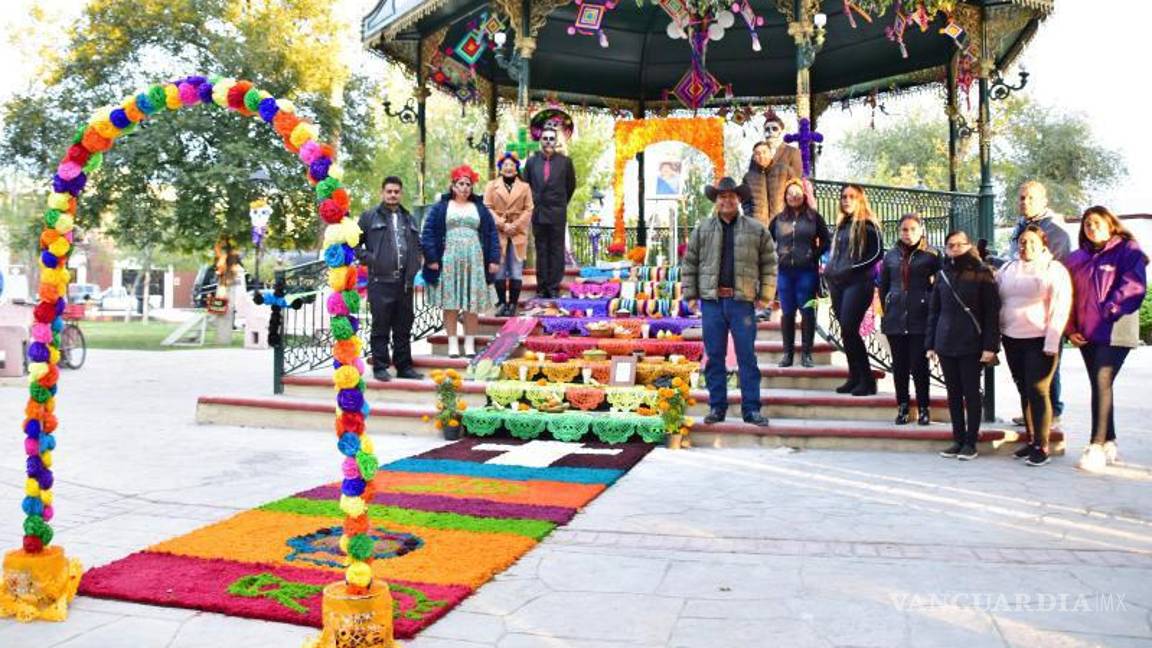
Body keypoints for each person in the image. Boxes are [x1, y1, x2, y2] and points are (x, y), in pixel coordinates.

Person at [682, 177, 777, 427]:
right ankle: (717, 407)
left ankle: (751, 409)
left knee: (747, 357)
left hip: (742, 302)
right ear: (716, 200)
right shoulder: (702, 229)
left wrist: (765, 295)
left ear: (739, 199)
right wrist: (690, 295)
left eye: (731, 196)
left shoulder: (757, 230)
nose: (726, 200)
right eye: (722, 196)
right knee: (714, 357)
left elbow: (769, 263)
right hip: (712, 302)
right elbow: (690, 263)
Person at [1064, 206, 1148, 472]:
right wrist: (1070, 328)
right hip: (1086, 333)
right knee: (1101, 385)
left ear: (1111, 224)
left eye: (1097, 222)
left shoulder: (1128, 250)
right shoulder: (1076, 258)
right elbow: (1067, 294)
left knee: (1102, 380)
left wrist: (1109, 310)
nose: (1091, 227)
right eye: (1087, 224)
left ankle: (1096, 446)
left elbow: (1134, 286)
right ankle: (1109, 440)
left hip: (1115, 329)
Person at [997, 224, 1072, 467]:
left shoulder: (1054, 269)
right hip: (1012, 338)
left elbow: (1060, 306)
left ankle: (1042, 445)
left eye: (1032, 242)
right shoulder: (1007, 268)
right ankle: (1031, 440)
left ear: (1043, 245)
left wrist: (1052, 341)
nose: (1026, 246)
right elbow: (996, 298)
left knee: (1038, 390)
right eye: (1022, 242)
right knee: (1024, 390)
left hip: (1040, 339)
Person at [926, 231, 1000, 461]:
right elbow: (934, 311)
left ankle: (971, 442)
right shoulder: (942, 274)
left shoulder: (982, 272)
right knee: (953, 393)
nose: (955, 248)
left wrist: (990, 346)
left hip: (971, 342)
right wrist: (931, 344)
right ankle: (958, 439)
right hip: (946, 341)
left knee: (971, 392)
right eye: (951, 245)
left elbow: (992, 313)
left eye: (960, 244)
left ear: (968, 246)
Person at [1008, 181, 1072, 426]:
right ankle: (1032, 413)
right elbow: (1015, 260)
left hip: (1045, 315)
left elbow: (1057, 270)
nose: (1025, 202)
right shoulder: (1020, 227)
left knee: (1048, 371)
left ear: (1044, 201)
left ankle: (1051, 413)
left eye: (1031, 198)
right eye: (1022, 197)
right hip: (1020, 321)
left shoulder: (1056, 230)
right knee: (1026, 374)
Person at [420, 165, 500, 358]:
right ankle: (453, 344)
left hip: (475, 259)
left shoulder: (480, 208)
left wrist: (494, 258)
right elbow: (428, 232)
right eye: (461, 184)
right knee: (451, 304)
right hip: (448, 259)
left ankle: (470, 344)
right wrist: (431, 258)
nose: (464, 187)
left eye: (468, 184)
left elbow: (491, 233)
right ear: (453, 186)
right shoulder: (441, 207)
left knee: (471, 304)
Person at [356, 176, 424, 381]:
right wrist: (370, 259)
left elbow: (417, 245)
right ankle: (380, 367)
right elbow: (353, 244)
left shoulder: (409, 218)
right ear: (382, 193)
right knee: (381, 326)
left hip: (404, 282)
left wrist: (418, 264)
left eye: (396, 192)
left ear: (401, 193)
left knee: (403, 326)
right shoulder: (369, 217)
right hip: (380, 281)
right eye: (389, 191)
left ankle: (404, 367)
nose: (393, 195)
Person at [879, 213, 940, 425]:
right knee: (900, 367)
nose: (908, 234)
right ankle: (903, 406)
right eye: (905, 229)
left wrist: (927, 301)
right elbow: (883, 286)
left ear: (921, 230)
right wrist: (888, 307)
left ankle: (924, 407)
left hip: (920, 318)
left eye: (913, 229)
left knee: (919, 365)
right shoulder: (891, 256)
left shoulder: (931, 255)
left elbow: (939, 286)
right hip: (895, 318)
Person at [824, 184, 883, 396]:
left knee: (850, 327)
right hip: (838, 284)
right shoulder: (841, 225)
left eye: (852, 197)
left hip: (858, 283)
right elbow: (835, 255)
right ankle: (854, 376)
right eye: (844, 197)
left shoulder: (869, 225)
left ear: (860, 200)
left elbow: (877, 254)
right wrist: (830, 271)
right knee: (846, 331)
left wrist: (850, 269)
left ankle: (867, 379)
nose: (846, 200)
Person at [768, 178, 830, 368]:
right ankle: (787, 354)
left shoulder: (814, 217)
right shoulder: (778, 219)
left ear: (803, 195)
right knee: (787, 313)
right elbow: (766, 242)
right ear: (785, 197)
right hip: (784, 273)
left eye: (797, 193)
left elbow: (826, 241)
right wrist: (775, 256)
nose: (793, 197)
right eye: (790, 194)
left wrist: (813, 255)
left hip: (807, 272)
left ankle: (806, 354)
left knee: (807, 312)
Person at [523, 126, 577, 299]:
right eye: (545, 138)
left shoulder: (565, 162)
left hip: (557, 212)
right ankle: (542, 287)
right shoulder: (532, 162)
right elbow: (525, 186)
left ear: (555, 141)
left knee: (556, 249)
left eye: (551, 139)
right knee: (541, 249)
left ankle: (553, 287)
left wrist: (560, 203)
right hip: (538, 212)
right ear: (540, 141)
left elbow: (570, 186)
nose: (548, 142)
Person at [483, 152, 535, 316]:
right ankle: (501, 303)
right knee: (499, 269)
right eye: (505, 165)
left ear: (516, 168)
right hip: (498, 232)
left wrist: (515, 225)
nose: (508, 168)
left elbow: (529, 209)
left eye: (511, 165)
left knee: (515, 269)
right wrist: (502, 224)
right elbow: (487, 207)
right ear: (500, 168)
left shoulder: (525, 187)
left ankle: (512, 304)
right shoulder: (491, 186)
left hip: (518, 233)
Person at [743, 112, 803, 228]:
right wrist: (750, 215)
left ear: (781, 131)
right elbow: (750, 184)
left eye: (774, 128)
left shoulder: (792, 152)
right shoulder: (757, 154)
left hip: (782, 216)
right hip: (760, 219)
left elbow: (796, 180)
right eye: (767, 129)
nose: (770, 132)